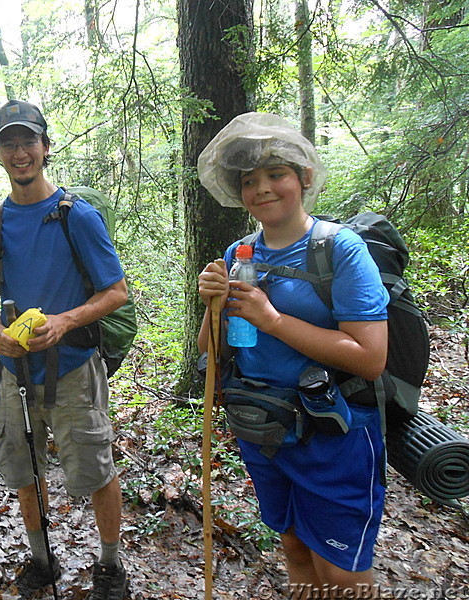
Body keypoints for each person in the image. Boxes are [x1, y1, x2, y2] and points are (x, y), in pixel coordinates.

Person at [195, 112, 389, 599]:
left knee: (341, 573)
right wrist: (213, 304)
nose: (262, 189)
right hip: (264, 426)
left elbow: (370, 359)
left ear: (303, 178)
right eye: (249, 181)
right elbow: (211, 351)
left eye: (276, 174)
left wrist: (274, 320)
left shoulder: (339, 249)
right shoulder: (239, 251)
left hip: (332, 433)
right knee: (295, 545)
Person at [0, 99, 130, 599]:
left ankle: (109, 566)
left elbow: (116, 291)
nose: (20, 153)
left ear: (45, 147)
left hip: (75, 367)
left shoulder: (75, 217)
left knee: (96, 468)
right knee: (22, 468)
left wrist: (64, 321)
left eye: (27, 142)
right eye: (9, 144)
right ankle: (41, 560)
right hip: (14, 373)